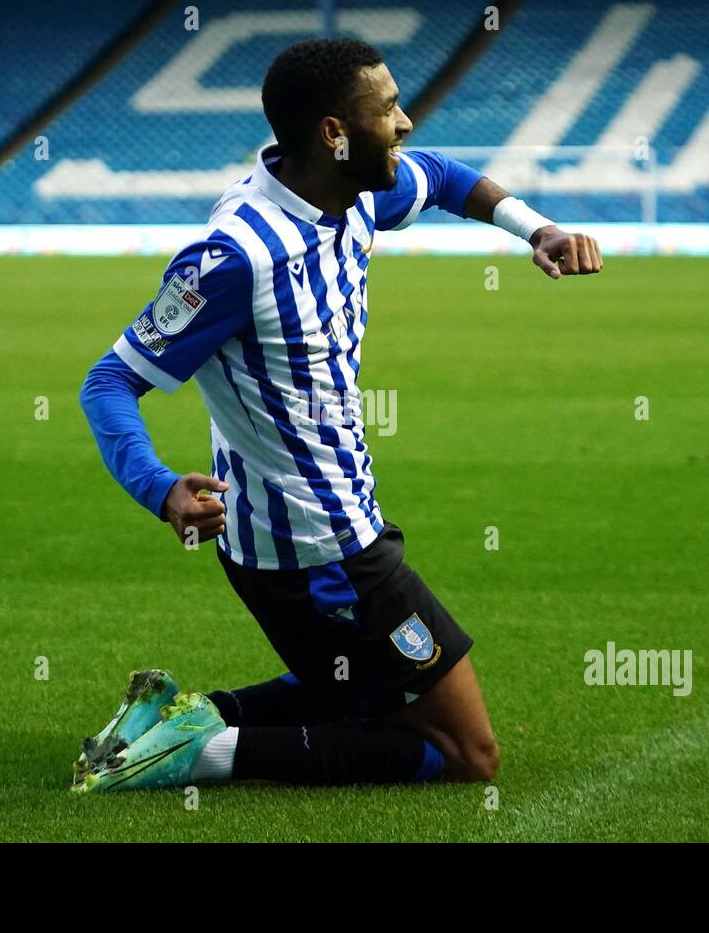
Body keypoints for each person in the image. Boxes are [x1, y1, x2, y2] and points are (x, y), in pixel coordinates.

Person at [73, 38, 601, 792]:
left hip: (327, 531)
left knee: (358, 691)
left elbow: (445, 177)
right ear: (333, 132)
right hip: (320, 556)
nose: (406, 121)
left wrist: (534, 228)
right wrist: (159, 488)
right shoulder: (236, 258)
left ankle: (187, 715)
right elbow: (109, 381)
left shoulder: (352, 191)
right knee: (465, 754)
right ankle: (197, 755)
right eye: (386, 108)